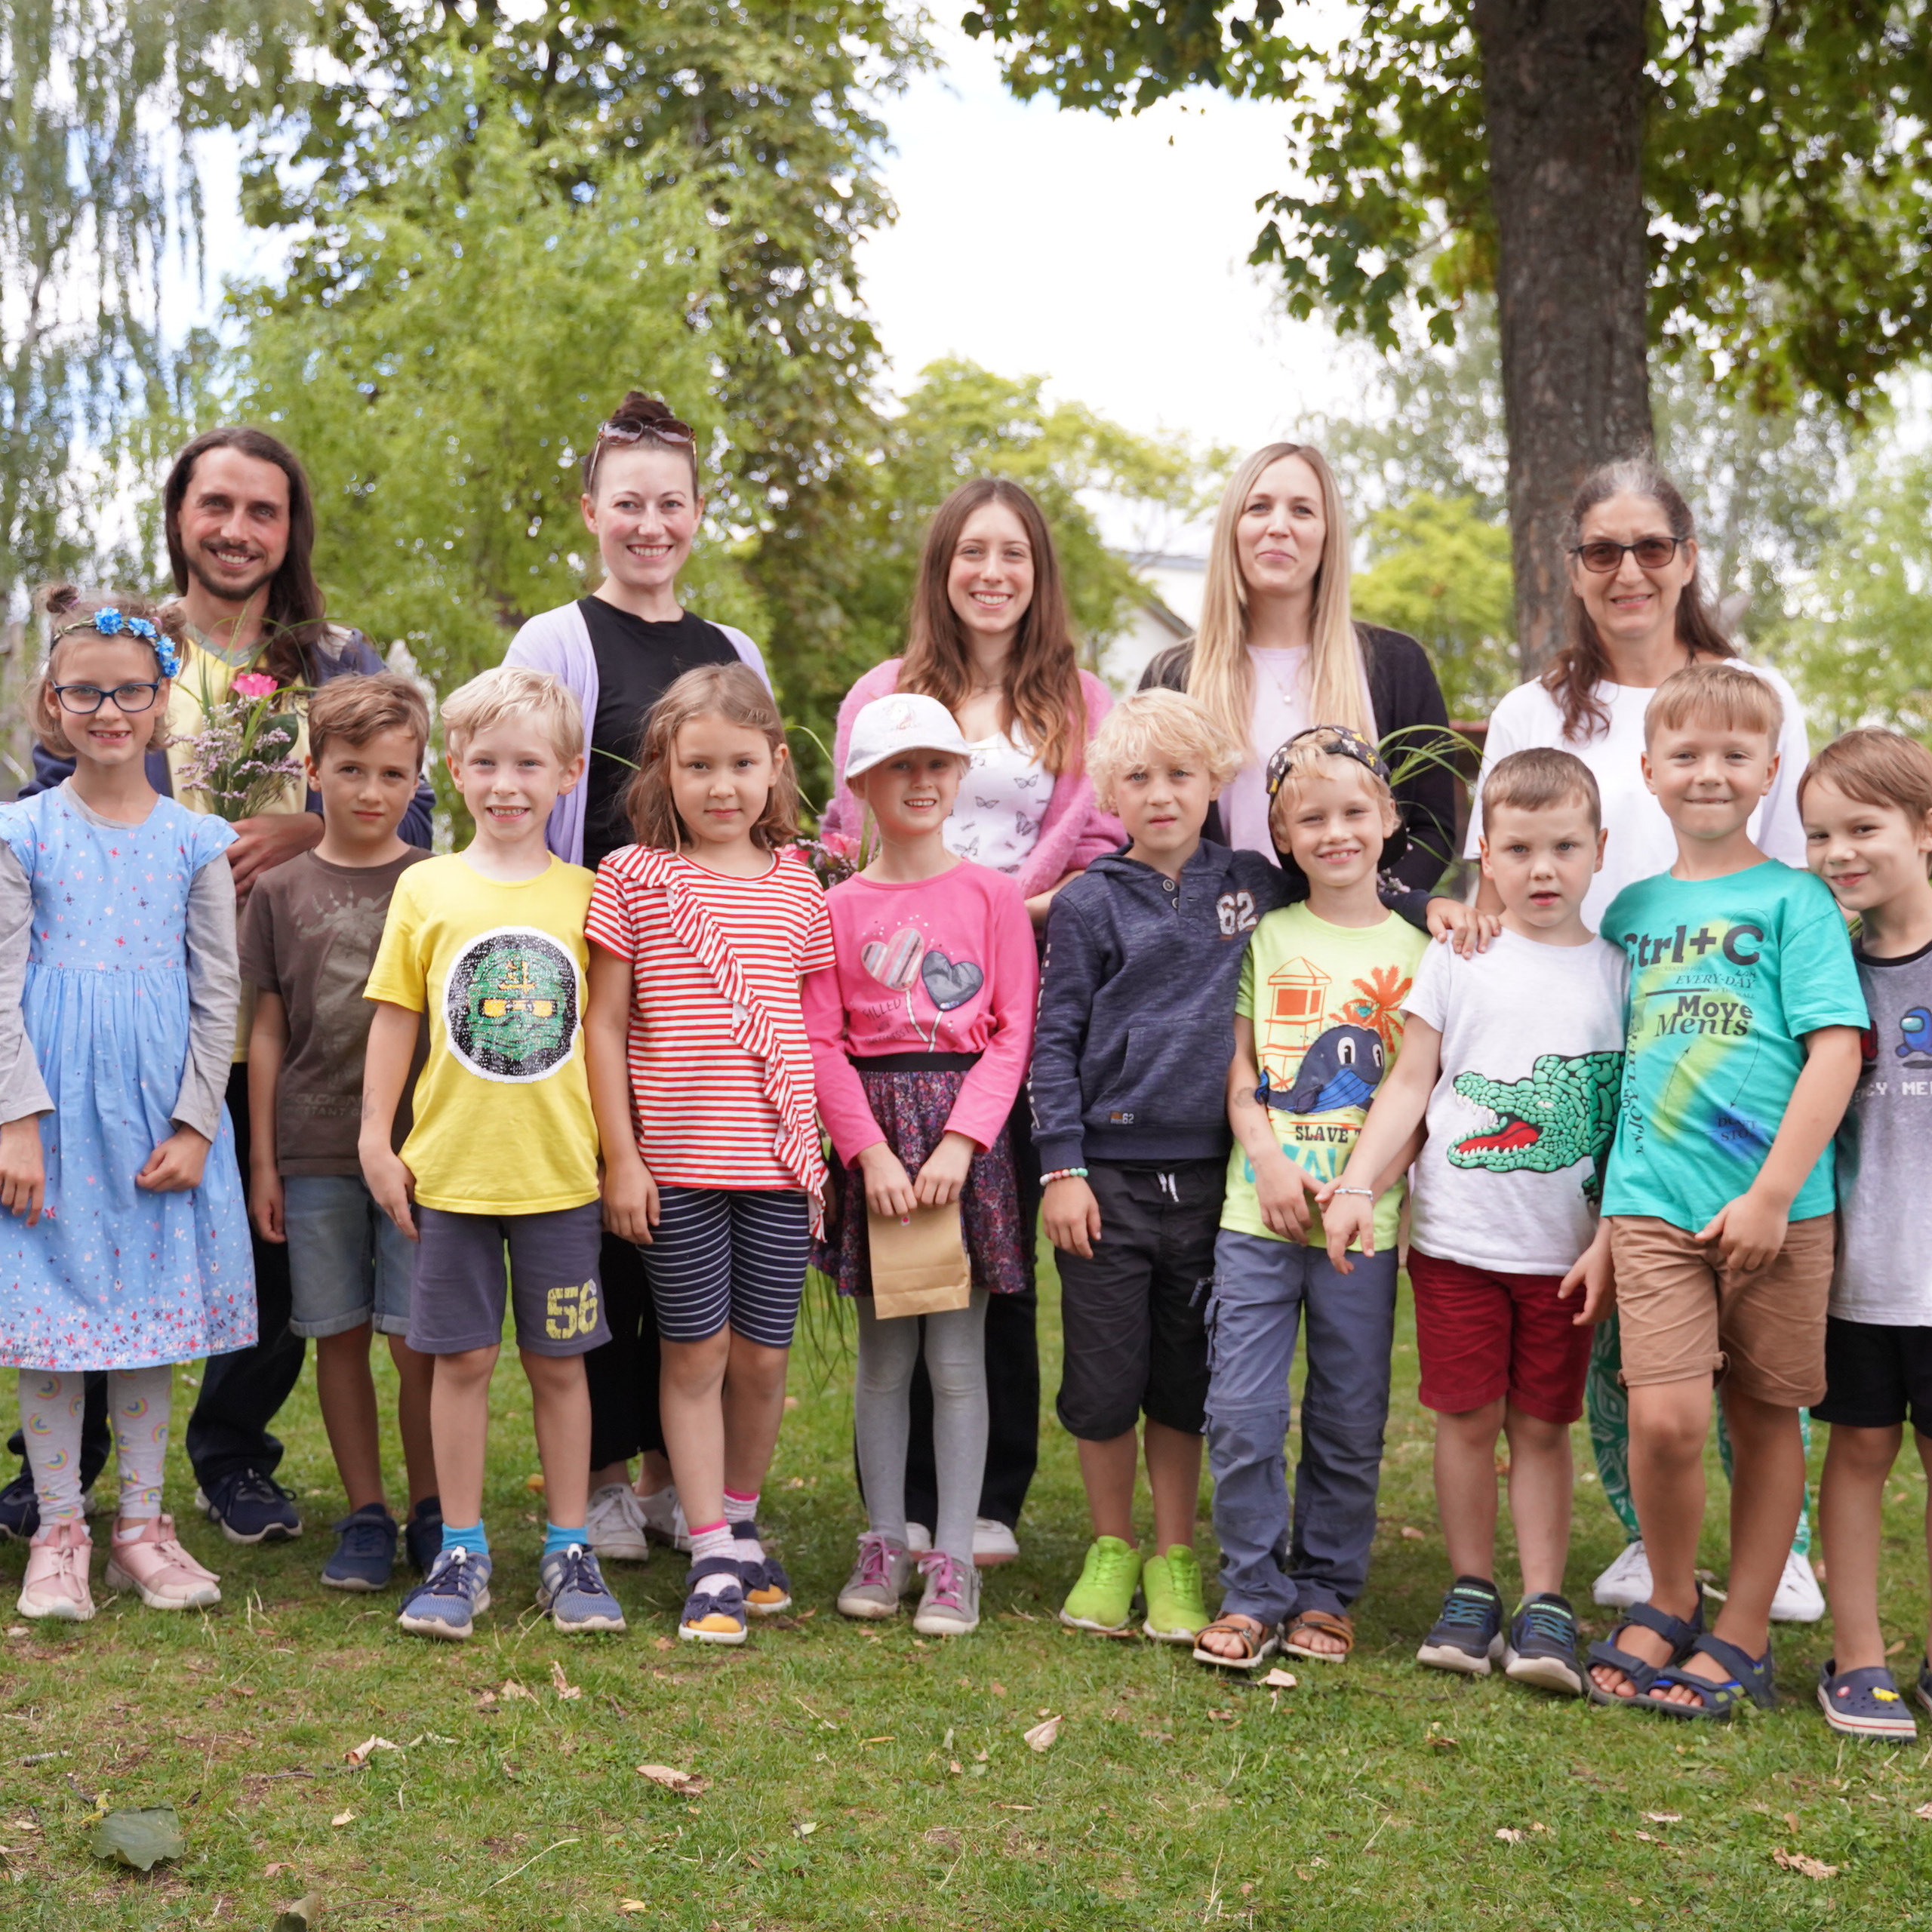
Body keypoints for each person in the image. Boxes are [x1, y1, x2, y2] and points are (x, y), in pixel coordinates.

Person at [2, 426, 436, 1552]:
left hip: (290, 1011)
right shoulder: (129, 644)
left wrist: (308, 825)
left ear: (292, 529)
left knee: (275, 1248)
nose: (238, 530)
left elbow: (417, 807)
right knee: (89, 1222)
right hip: (125, 1008)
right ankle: (61, 1472)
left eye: (264, 510)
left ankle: (232, 1454)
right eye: (217, 506)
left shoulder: (336, 658)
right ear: (180, 516)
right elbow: (64, 787)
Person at [1465, 456, 1820, 1621]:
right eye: (1603, 551)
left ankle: (1789, 1543)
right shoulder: (1533, 710)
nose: (1628, 572)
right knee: (1616, 1276)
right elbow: (1492, 868)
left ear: (1687, 557)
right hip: (1595, 1022)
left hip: (1732, 1032)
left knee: (1759, 1276)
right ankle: (1638, 1524)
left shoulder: (1749, 690)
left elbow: (1803, 858)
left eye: (1651, 548)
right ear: (1574, 568)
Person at [821, 478, 1122, 1563]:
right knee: (899, 1242)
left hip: (1025, 987)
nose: (992, 573)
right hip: (901, 1003)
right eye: (971, 553)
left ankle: (987, 1500)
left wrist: (1013, 910)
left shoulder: (1081, 702)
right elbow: (842, 835)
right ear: (942, 569)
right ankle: (892, 1502)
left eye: (1015, 555)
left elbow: (1105, 843)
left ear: (1039, 576)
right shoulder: (886, 692)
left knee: (996, 1244)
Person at [506, 390, 771, 1568]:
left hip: (710, 993)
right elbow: (536, 810)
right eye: (629, 504)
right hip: (603, 970)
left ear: (699, 514)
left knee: (695, 1235)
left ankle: (684, 1479)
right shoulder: (557, 641)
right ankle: (606, 1473)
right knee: (612, 1227)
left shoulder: (732, 654)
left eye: (671, 503)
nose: (649, 524)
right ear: (592, 512)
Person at [1583, 662, 1864, 1718]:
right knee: (1664, 1422)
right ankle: (1666, 1591)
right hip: (1653, 1203)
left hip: (1782, 1212)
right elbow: (1620, 1066)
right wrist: (1609, 1218)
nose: (1710, 774)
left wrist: (1773, 1192)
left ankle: (1743, 1628)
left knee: (1765, 1416)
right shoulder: (1630, 910)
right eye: (1687, 757)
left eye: (1735, 756)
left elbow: (1836, 1049)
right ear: (1649, 772)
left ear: (1770, 773)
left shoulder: (1800, 901)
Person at [1319, 749, 1627, 1698]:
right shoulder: (1456, 958)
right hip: (1457, 1241)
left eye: (1565, 847)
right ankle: (1470, 1589)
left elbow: (1628, 1116)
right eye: (1522, 848)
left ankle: (1541, 1602)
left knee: (1540, 1424)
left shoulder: (1620, 973)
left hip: (1562, 1253)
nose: (1543, 869)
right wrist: (1358, 1185)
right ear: (1485, 855)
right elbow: (1410, 1082)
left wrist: (1614, 1231)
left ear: (1598, 850)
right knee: (1464, 1419)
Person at [0, 588, 253, 1620]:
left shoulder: (195, 841)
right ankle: (58, 1529)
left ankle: (142, 1529)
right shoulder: (21, 835)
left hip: (154, 1119)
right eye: (86, 694)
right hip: (52, 1121)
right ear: (52, 706)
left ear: (161, 702)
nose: (109, 712)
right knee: (56, 1325)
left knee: (149, 1328)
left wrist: (197, 1124)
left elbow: (217, 992)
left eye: (131, 693)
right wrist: (14, 1118)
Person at [361, 666, 623, 1641]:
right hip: (452, 1178)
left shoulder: (589, 897)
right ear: (456, 772)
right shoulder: (424, 887)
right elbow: (393, 1022)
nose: (507, 783)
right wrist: (373, 1141)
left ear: (567, 773)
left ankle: (569, 1547)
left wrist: (621, 1158)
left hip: (560, 1180)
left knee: (561, 1368)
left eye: (528, 764)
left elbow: (605, 1033)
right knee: (459, 1362)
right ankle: (461, 1550)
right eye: (486, 763)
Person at [583, 663, 832, 1646]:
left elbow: (813, 1032)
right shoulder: (633, 878)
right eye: (699, 766)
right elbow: (604, 1026)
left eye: (740, 763)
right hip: (677, 1168)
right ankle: (714, 1550)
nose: (721, 786)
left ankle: (737, 1510)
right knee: (695, 1356)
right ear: (665, 770)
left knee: (764, 1362)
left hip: (774, 1170)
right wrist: (623, 1159)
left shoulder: (800, 887)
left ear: (774, 766)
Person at [1031, 689, 1283, 1644]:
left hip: (1216, 1183)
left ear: (1215, 780)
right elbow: (1053, 1042)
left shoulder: (1255, 883)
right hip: (1107, 1179)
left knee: (1185, 1379)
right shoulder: (1091, 903)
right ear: (1110, 793)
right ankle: (1111, 1548)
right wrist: (1062, 1167)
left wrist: (1439, 903)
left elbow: (1360, 890)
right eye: (1138, 778)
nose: (1163, 794)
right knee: (1104, 1380)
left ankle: (1176, 1556)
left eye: (1181, 775)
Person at [1192, 728, 1429, 1670]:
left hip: (1359, 1227)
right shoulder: (1266, 937)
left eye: (1353, 813)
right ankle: (1252, 1587)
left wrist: (1358, 1187)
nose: (1336, 832)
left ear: (1388, 821)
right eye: (1312, 818)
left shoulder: (1422, 951)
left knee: (1346, 1411)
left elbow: (1414, 1094)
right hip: (1258, 1214)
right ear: (1282, 836)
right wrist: (1270, 1161)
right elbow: (1241, 1071)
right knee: (1243, 1411)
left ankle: (1325, 1589)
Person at [805, 694, 1037, 1636]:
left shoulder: (992, 897)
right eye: (901, 767)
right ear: (862, 785)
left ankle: (951, 1560)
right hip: (879, 1146)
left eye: (938, 764)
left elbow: (1013, 1030)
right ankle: (883, 1542)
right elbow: (822, 1043)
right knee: (882, 1359)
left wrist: (958, 1143)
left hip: (959, 1152)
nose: (923, 782)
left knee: (956, 1358)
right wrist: (866, 1153)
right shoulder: (838, 909)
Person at [241, 674, 440, 1592]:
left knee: (418, 1340)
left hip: (419, 1153)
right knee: (342, 1336)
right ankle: (366, 1511)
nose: (371, 791)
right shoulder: (277, 891)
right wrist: (263, 1161)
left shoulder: (436, 885)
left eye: (392, 772)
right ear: (312, 771)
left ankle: (437, 1506)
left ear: (417, 777)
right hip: (312, 1150)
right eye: (351, 768)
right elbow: (270, 1028)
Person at [1137, 441, 1457, 902]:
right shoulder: (1174, 677)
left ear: (1329, 535)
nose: (1279, 527)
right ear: (1233, 527)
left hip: (1359, 945)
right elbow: (1144, 831)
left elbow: (1432, 824)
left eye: (1303, 511)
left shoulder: (1395, 665)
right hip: (1219, 954)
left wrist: (1371, 909)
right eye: (1259, 507)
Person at [1801, 731, 1932, 1739]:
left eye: (1863, 827)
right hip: (1856, 1281)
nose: (1839, 851)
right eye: (1820, 834)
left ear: (1924, 830)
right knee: (1858, 1453)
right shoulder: (1827, 975)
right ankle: (1860, 1659)